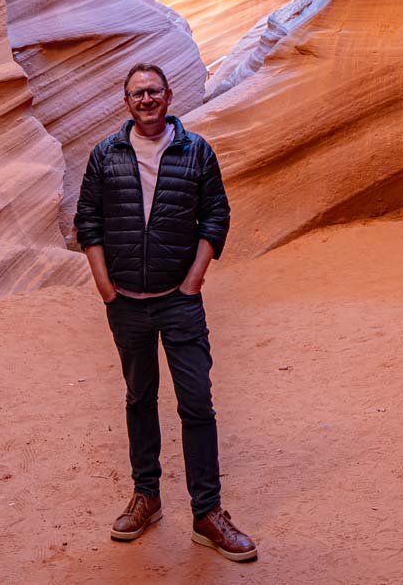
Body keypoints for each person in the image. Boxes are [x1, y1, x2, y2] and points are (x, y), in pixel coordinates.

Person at [73, 63, 257, 562]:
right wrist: (104, 285)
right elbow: (88, 219)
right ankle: (146, 497)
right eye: (138, 93)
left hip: (179, 301)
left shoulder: (195, 150)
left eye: (154, 91)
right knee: (139, 398)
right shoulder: (106, 154)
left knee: (196, 402)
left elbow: (216, 215)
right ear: (126, 101)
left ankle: (207, 513)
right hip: (126, 303)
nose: (146, 99)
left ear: (169, 96)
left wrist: (195, 278)